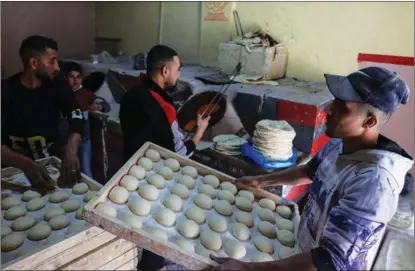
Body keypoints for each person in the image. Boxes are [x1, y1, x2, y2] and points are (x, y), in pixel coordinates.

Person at [207, 67, 413, 271]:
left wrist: (246, 268)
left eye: (343, 107)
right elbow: (310, 171)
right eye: (334, 100)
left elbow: (329, 261)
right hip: (304, 250)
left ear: (369, 121)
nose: (328, 109)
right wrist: (261, 181)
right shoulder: (341, 142)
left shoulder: (374, 182)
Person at [120, 44, 211, 270]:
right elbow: (180, 154)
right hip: (156, 177)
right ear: (164, 71)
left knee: (145, 225)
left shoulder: (131, 95)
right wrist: (199, 132)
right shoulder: (163, 105)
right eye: (177, 69)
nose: (179, 74)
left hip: (132, 171)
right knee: (158, 230)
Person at [1, 36, 85, 191]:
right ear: (33, 63)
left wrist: (71, 148)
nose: (57, 67)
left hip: (53, 164)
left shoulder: (57, 85)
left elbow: (76, 115)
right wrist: (24, 163)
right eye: (52, 61)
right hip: (14, 171)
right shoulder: (6, 92)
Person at [64, 61, 109, 178]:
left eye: (78, 77)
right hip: (67, 139)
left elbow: (105, 104)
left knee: (86, 169)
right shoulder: (62, 94)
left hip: (85, 137)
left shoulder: (85, 93)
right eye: (71, 77)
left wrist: (99, 106)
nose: (75, 80)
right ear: (65, 78)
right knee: (68, 166)